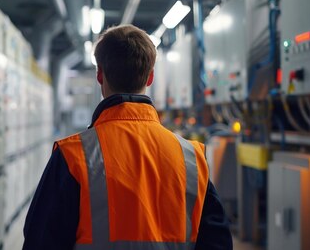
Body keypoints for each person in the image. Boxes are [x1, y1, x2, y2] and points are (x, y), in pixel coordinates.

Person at [23, 25, 232, 249]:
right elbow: (218, 243)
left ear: (100, 75)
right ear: (150, 77)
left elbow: (40, 241)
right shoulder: (192, 158)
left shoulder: (73, 156)